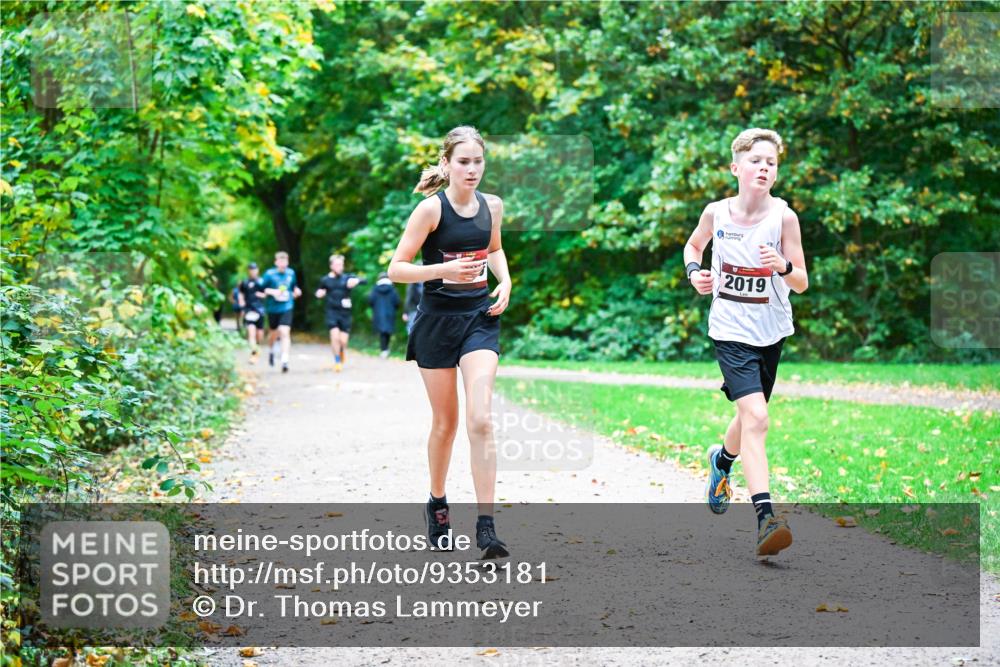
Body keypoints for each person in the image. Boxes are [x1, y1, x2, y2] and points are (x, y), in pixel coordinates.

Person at [387, 125, 512, 559]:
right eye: (463, 161)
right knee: (447, 423)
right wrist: (442, 272)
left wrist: (506, 281)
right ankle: (438, 504)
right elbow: (396, 269)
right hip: (437, 323)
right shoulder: (430, 211)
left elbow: (493, 249)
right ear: (447, 164)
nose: (472, 169)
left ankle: (487, 527)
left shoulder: (492, 206)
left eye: (478, 161)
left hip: (479, 320)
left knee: (481, 419)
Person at [683, 128, 808, 558]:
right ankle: (765, 519)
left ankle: (722, 461)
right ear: (736, 167)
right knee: (756, 416)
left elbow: (802, 282)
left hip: (771, 331)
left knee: (751, 417)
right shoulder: (716, 213)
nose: (764, 167)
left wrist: (783, 265)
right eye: (756, 160)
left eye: (771, 162)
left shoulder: (784, 218)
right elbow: (694, 246)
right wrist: (694, 272)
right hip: (730, 331)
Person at [315, 254, 365, 372]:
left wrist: (356, 281)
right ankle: (337, 361)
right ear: (331, 266)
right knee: (334, 336)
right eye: (337, 264)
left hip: (345, 313)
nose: (340, 267)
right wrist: (319, 294)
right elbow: (319, 290)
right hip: (332, 311)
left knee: (343, 341)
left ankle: (341, 351)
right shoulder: (325, 280)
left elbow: (364, 280)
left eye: (341, 265)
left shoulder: (347, 277)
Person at [260, 251, 301, 373]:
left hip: (287, 306)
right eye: (281, 262)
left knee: (284, 331)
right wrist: (273, 292)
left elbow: (294, 287)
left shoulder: (291, 273)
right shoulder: (269, 274)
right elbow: (262, 290)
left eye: (285, 262)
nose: (283, 264)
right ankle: (271, 349)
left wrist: (297, 291)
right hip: (273, 308)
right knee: (274, 333)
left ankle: (285, 360)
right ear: (276, 262)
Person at [237, 262, 266, 363]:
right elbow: (240, 292)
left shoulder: (262, 281)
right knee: (251, 332)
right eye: (251, 269)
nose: (253, 271)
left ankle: (257, 347)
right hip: (249, 310)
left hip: (260, 309)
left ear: (257, 270)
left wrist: (262, 295)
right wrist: (241, 301)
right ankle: (253, 353)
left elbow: (267, 293)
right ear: (248, 271)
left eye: (254, 269)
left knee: (259, 334)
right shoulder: (244, 282)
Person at [368, 272, 401, 358]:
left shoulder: (375, 289)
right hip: (390, 313)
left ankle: (383, 350)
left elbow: (370, 301)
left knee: (382, 332)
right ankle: (385, 349)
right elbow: (397, 302)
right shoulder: (393, 289)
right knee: (387, 331)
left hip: (378, 314)